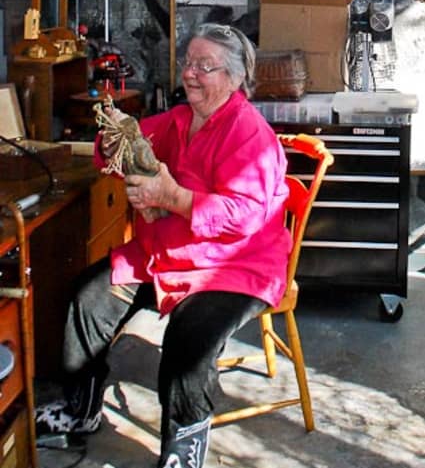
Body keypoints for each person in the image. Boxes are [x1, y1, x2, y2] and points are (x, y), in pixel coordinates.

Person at [35, 23, 291, 468]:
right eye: (188, 62)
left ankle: (183, 449)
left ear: (233, 78)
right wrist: (115, 136)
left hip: (233, 266)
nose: (190, 73)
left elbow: (245, 216)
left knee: (187, 341)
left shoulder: (250, 134)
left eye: (204, 66)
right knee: (88, 298)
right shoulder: (178, 120)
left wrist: (171, 197)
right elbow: (114, 149)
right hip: (168, 255)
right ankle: (81, 411)